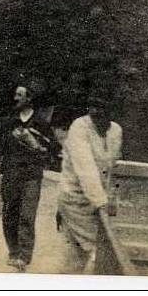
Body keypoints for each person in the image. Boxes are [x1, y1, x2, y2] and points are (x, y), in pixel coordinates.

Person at [0, 83, 59, 272]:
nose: (15, 98)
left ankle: (24, 256)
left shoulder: (41, 123)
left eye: (19, 95)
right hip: (11, 173)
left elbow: (53, 148)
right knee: (10, 213)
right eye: (15, 95)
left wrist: (38, 147)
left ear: (29, 98)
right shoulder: (9, 121)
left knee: (27, 214)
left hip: (31, 175)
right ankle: (13, 251)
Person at [56, 96, 122, 274]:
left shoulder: (115, 131)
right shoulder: (79, 127)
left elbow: (111, 169)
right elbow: (86, 170)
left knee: (80, 257)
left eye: (102, 107)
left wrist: (110, 201)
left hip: (97, 203)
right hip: (74, 200)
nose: (97, 112)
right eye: (93, 106)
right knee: (95, 252)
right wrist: (101, 202)